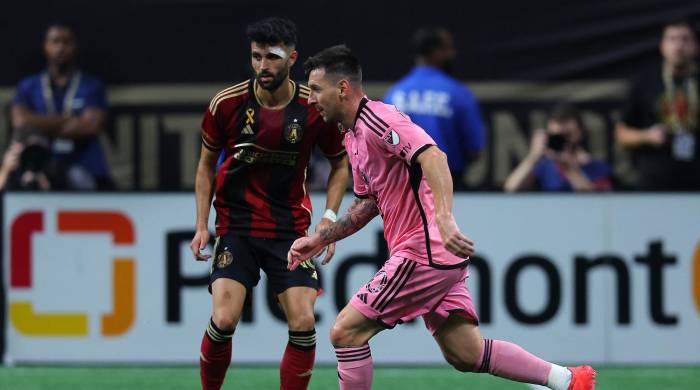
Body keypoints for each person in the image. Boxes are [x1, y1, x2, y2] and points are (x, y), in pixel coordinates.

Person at [289, 44, 596, 390]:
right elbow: (366, 204)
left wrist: (445, 218)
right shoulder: (352, 135)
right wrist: (321, 238)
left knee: (345, 332)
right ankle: (567, 380)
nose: (310, 99)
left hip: (423, 252)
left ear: (342, 88)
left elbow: (434, 157)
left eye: (316, 90)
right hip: (435, 256)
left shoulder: (379, 119)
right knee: (465, 353)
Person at [189, 18, 349, 390]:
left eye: (272, 57)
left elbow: (341, 164)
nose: (263, 66)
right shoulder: (227, 104)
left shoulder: (313, 106)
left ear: (292, 58)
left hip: (289, 230)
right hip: (237, 227)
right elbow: (205, 166)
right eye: (257, 57)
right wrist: (201, 225)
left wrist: (328, 219)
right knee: (225, 320)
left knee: (304, 322)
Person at [11, 23, 112, 190]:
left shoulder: (92, 85)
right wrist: (68, 120)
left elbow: (92, 126)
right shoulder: (28, 86)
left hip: (82, 164)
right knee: (24, 182)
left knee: (79, 180)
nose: (60, 48)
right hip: (39, 164)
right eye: (55, 42)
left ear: (75, 47)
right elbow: (21, 123)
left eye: (66, 43)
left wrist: (39, 125)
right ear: (45, 46)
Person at [384, 27, 486, 190]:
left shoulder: (394, 94)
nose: (452, 54)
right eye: (448, 49)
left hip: (403, 190)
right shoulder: (458, 93)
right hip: (448, 186)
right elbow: (474, 150)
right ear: (435, 52)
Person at [616, 20, 700, 190]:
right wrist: (647, 136)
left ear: (695, 46)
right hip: (656, 180)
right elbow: (622, 133)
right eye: (672, 39)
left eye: (685, 39)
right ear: (662, 46)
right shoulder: (645, 82)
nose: (678, 46)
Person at [503, 103, 611, 192]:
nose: (562, 141)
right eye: (556, 136)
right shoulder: (545, 166)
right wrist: (533, 157)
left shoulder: (597, 167)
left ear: (580, 132)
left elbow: (595, 200)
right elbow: (511, 188)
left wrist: (568, 167)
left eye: (567, 135)